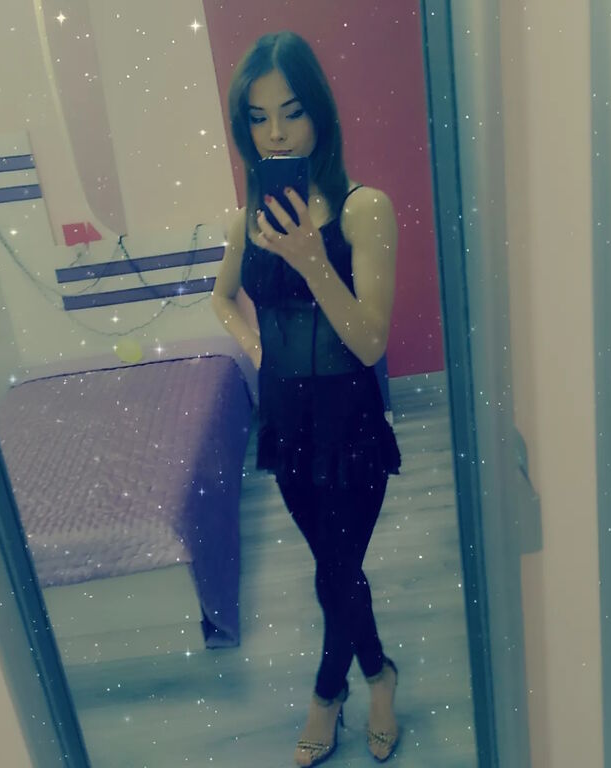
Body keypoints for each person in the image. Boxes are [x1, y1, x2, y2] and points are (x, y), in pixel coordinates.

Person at [211, 30, 402, 767]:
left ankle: (332, 693)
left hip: (349, 422)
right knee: (332, 565)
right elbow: (222, 299)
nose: (277, 133)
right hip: (287, 425)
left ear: (318, 111)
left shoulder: (364, 210)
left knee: (337, 569)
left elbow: (370, 342)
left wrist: (314, 260)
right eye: (258, 118)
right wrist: (259, 349)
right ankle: (379, 674)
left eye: (291, 111)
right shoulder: (245, 222)